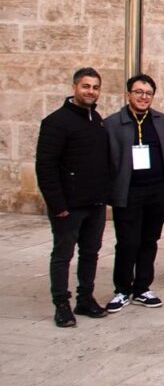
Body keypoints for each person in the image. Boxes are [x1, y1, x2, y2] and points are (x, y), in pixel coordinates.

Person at [35, 67, 110, 327]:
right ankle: (61, 304)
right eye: (86, 86)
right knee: (63, 254)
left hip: (95, 202)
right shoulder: (56, 122)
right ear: (74, 88)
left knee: (91, 252)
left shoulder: (96, 119)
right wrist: (58, 205)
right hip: (69, 206)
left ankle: (85, 298)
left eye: (95, 87)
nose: (91, 91)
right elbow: (45, 167)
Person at [103, 73, 164, 312]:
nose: (143, 97)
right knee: (127, 242)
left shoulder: (162, 121)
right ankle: (122, 289)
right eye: (138, 92)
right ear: (128, 94)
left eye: (148, 93)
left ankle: (142, 287)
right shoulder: (113, 123)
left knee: (149, 240)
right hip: (129, 192)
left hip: (157, 191)